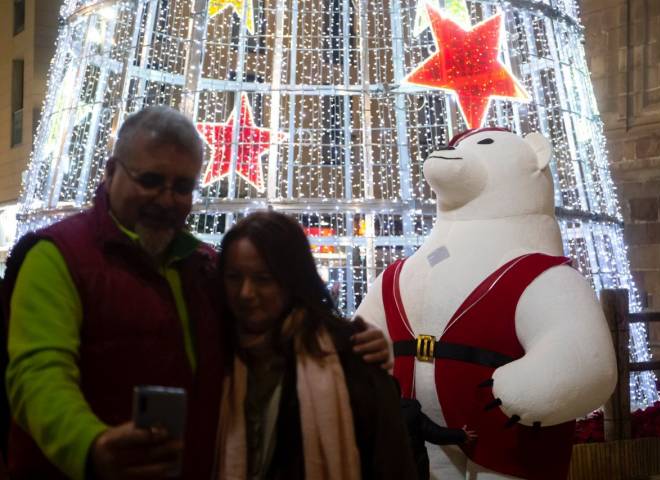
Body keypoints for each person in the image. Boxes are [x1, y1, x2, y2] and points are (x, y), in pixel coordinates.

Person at [3, 106, 391, 480]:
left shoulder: (203, 265)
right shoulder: (57, 255)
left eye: (183, 186)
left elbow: (267, 330)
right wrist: (90, 445)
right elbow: (37, 374)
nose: (167, 199)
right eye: (151, 180)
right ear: (110, 172)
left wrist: (352, 343)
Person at [215, 211, 417, 480]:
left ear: (293, 280)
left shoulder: (349, 353)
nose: (246, 293)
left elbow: (391, 462)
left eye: (263, 279)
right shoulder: (212, 348)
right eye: (234, 277)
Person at [400, 395, 477, 480]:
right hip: (413, 469)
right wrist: (461, 435)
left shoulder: (383, 414)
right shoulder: (408, 411)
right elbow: (436, 433)